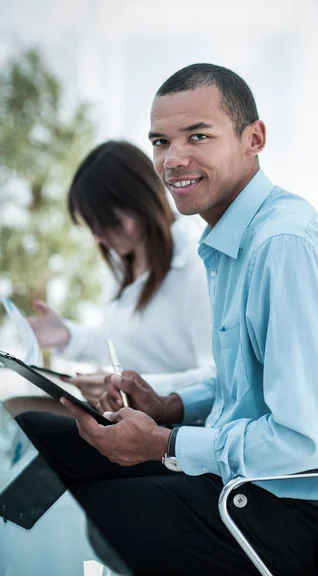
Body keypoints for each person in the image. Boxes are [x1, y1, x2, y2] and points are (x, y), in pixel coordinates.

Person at [17, 64, 318, 576]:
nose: (173, 159)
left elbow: (304, 439)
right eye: (160, 141)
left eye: (198, 136)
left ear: (253, 139)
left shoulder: (282, 248)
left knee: (53, 512)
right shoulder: (234, 241)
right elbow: (248, 380)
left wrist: (168, 444)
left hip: (280, 516)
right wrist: (172, 408)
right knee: (30, 434)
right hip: (244, 481)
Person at [8, 140, 214, 414]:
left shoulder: (197, 265)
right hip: (128, 419)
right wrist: (66, 335)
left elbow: (218, 379)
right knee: (17, 409)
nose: (99, 237)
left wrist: (131, 387)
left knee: (29, 415)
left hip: (172, 434)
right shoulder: (124, 265)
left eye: (110, 222)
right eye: (92, 225)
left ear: (144, 201)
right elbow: (124, 344)